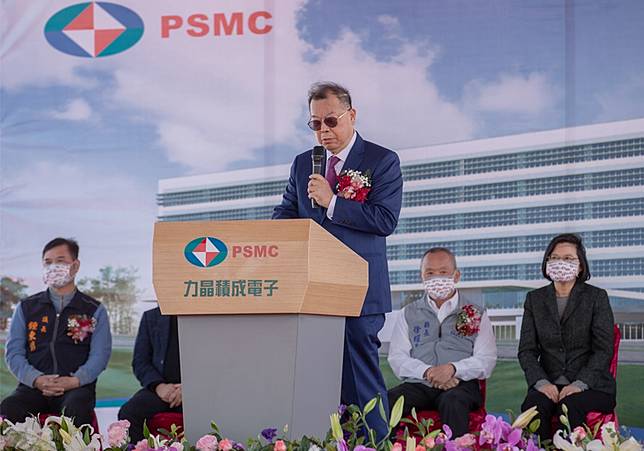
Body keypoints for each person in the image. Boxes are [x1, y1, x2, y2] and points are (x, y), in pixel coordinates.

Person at [273, 81, 403, 438]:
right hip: (312, 292)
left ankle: (374, 443)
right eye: (315, 124)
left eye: (330, 121)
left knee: (361, 379)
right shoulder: (304, 163)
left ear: (351, 115)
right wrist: (274, 235)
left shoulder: (381, 160)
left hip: (359, 291)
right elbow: (287, 210)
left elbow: (384, 220)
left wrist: (332, 201)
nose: (323, 131)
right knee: (316, 379)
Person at [1, 238, 111, 427]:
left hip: (76, 388)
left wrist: (75, 380)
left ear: (75, 266)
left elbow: (100, 355)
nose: (53, 267)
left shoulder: (93, 309)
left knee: (77, 410)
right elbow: (13, 353)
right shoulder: (27, 307)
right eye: (48, 262)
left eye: (60, 261)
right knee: (9, 408)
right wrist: (36, 379)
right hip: (33, 387)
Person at [387, 248, 497, 438]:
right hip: (419, 384)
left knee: (453, 401)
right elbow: (397, 357)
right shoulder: (408, 313)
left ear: (456, 276)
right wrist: (428, 372)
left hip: (460, 385)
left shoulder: (476, 313)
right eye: (430, 273)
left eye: (443, 272)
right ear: (422, 277)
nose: (436, 277)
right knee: (389, 400)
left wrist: (452, 369)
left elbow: (486, 360)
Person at [518, 233, 616, 439]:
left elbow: (603, 350)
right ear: (547, 262)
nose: (560, 263)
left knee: (570, 405)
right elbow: (526, 351)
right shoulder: (534, 299)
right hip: (548, 383)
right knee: (533, 406)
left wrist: (579, 384)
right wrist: (541, 382)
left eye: (568, 258)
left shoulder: (596, 297)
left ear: (580, 266)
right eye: (554, 258)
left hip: (592, 385)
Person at [118, 306, 182, 443]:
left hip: (199, 391)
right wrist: (159, 386)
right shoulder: (151, 317)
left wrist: (190, 388)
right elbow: (140, 362)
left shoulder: (206, 314)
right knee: (128, 413)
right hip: (160, 388)